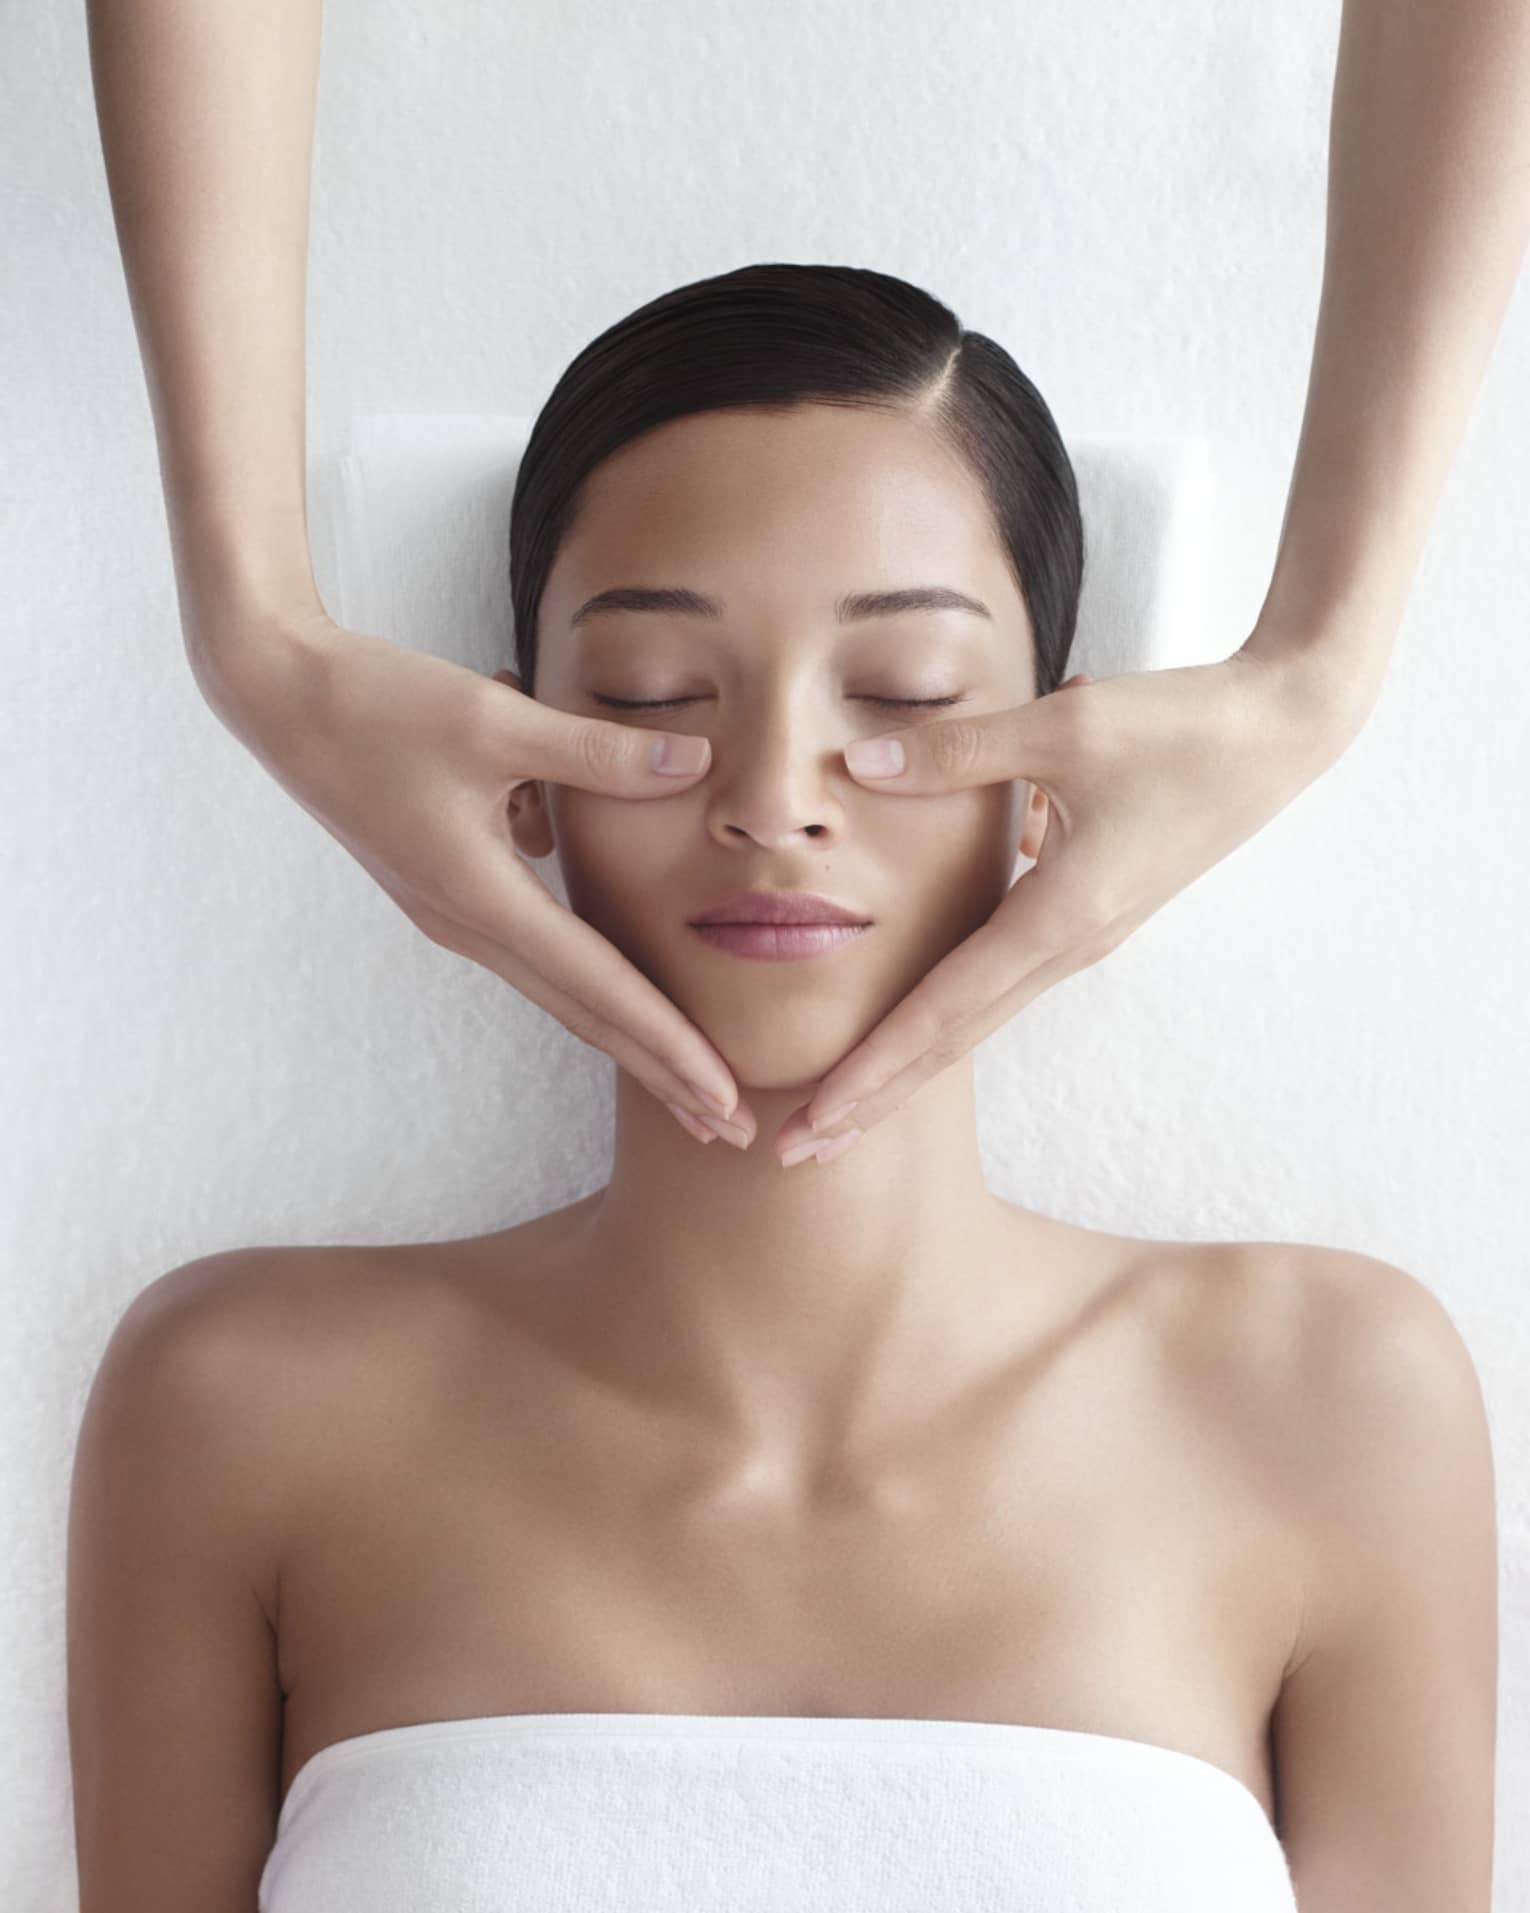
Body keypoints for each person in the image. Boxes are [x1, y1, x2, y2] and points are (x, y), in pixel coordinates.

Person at [69, 5, 1512, 1909]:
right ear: (514, 774)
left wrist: (1321, 667)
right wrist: (249, 625)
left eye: (906, 698)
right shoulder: (243, 1395)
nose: (771, 795)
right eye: (655, 696)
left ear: (1055, 776)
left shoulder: (1329, 1396)